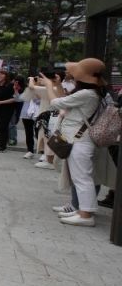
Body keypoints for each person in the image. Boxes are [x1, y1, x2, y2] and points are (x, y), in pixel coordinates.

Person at [44, 59, 108, 227]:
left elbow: (56, 103)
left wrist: (48, 86)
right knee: (81, 178)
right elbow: (65, 102)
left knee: (82, 178)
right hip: (79, 139)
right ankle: (81, 211)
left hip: (80, 140)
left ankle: (85, 215)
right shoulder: (93, 93)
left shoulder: (87, 94)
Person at [0, 69, 16, 152]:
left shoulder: (10, 86)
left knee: (3, 127)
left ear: (6, 76)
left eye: (1, 74)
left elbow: (14, 99)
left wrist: (1, 102)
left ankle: (3, 146)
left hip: (7, 109)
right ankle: (1, 144)